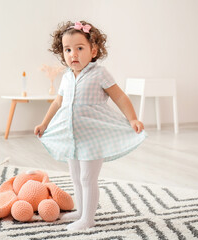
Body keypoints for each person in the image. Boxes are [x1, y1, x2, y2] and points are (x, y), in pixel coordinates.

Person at [34, 21, 147, 231]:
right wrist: (44, 123)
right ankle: (81, 211)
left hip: (93, 136)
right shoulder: (67, 77)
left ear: (93, 51)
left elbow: (120, 97)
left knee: (87, 177)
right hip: (72, 136)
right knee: (76, 176)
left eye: (79, 48)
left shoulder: (99, 73)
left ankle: (88, 219)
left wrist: (132, 119)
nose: (73, 54)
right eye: (67, 50)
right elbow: (58, 103)